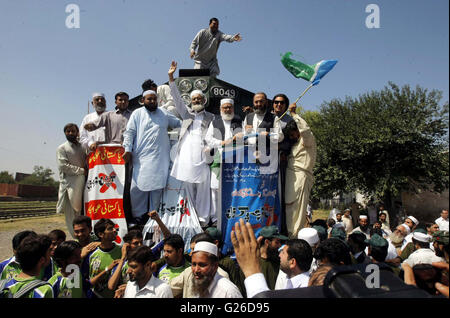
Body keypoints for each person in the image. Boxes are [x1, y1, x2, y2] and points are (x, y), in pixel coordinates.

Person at [122, 87, 181, 226]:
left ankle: (154, 217)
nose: (152, 101)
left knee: (157, 188)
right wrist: (127, 149)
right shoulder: (137, 114)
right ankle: (138, 217)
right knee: (137, 189)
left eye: (154, 99)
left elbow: (180, 123)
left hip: (160, 158)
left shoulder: (164, 113)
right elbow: (129, 132)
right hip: (141, 159)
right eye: (149, 99)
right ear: (143, 100)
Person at [168, 61, 215, 227]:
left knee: (203, 187)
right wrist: (171, 78)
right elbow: (177, 98)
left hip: (203, 154)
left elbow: (214, 135)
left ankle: (202, 220)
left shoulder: (211, 117)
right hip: (187, 155)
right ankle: (190, 218)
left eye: (199, 98)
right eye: (194, 98)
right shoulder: (186, 114)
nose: (196, 100)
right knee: (188, 187)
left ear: (203, 100)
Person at [205, 98, 243, 224]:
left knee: (233, 187)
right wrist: (222, 143)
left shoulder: (239, 121)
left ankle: (231, 215)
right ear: (221, 109)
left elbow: (245, 138)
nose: (227, 109)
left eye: (229, 107)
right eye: (225, 107)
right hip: (218, 157)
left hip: (235, 159)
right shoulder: (215, 122)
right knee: (215, 188)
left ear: (233, 108)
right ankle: (215, 218)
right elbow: (208, 139)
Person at [169, 241, 242, 298]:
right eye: (194, 264)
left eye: (202, 265)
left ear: (215, 266)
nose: (196, 270)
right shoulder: (197, 284)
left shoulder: (228, 291)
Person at [283, 117, 316, 237]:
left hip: (300, 177)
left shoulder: (307, 139)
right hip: (291, 177)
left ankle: (294, 237)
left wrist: (294, 114)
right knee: (290, 207)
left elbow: (306, 130)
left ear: (298, 130)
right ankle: (290, 235)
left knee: (297, 209)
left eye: (293, 134)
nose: (292, 137)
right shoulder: (295, 144)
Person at [56, 123, 88, 238]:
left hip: (83, 184)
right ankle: (76, 238)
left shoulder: (83, 147)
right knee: (71, 214)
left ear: (77, 132)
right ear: (65, 133)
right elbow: (64, 167)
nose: (70, 133)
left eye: (73, 131)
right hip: (69, 185)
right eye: (68, 131)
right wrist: (81, 171)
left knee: (81, 213)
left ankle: (83, 236)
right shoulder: (62, 148)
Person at [85, 219, 122, 298]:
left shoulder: (121, 252)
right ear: (101, 234)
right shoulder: (91, 254)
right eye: (110, 229)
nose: (115, 230)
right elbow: (87, 280)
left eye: (114, 228)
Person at [107, 230, 144, 295]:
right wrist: (123, 258)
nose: (140, 245)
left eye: (141, 242)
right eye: (136, 243)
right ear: (128, 246)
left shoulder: (147, 262)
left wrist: (129, 286)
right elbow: (111, 286)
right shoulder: (122, 264)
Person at [257, 226, 288, 290]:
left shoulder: (278, 261)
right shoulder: (254, 264)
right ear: (267, 242)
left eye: (280, 242)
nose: (279, 245)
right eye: (276, 242)